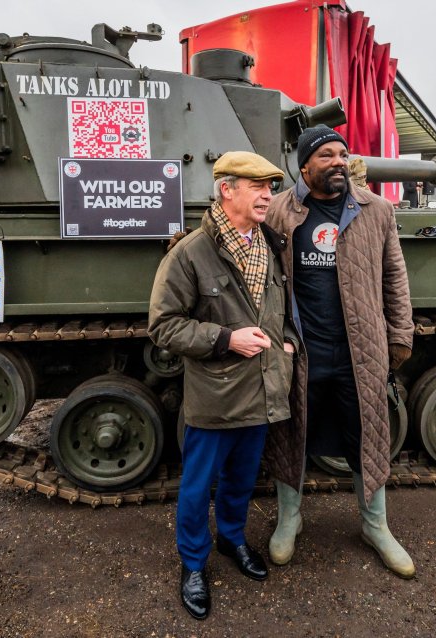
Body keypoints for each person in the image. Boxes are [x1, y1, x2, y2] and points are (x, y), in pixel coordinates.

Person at [148, 151, 298, 620]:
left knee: (241, 480)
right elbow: (164, 326)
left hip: (263, 391)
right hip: (215, 396)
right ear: (226, 189)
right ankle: (193, 563)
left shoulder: (269, 245)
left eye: (271, 187)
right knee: (197, 487)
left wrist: (288, 341)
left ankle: (232, 538)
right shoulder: (190, 253)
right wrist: (225, 338)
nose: (269, 195)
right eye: (258, 186)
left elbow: (281, 310)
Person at [263, 124, 416, 579]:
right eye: (325, 155)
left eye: (342, 154)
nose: (337, 162)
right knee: (293, 433)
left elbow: (395, 276)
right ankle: (290, 518)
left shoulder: (377, 211)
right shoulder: (278, 211)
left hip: (359, 348)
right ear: (304, 165)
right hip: (301, 348)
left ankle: (376, 526)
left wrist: (400, 334)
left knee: (365, 433)